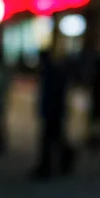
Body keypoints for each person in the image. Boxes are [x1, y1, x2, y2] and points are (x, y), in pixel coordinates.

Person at [31, 50, 75, 180]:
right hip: (53, 112)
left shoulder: (51, 73)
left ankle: (48, 166)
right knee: (54, 139)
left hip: (53, 113)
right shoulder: (52, 73)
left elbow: (52, 96)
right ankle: (56, 164)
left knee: (50, 140)